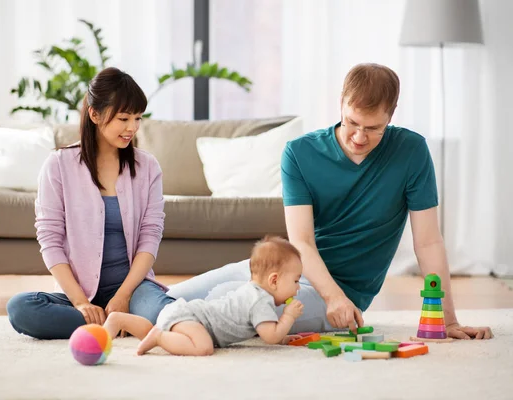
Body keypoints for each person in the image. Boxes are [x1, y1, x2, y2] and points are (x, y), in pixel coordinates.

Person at [168, 63, 493, 340]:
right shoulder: (299, 153)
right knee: (166, 299)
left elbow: (428, 243)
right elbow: (302, 241)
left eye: (373, 128)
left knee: (223, 311)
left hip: (338, 293)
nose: (359, 137)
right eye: (352, 122)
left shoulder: (411, 152)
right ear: (341, 104)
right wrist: (331, 296)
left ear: (391, 116)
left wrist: (448, 320)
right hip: (278, 271)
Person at [6, 67, 174, 339]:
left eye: (137, 118)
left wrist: (123, 296)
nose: (132, 127)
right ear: (94, 114)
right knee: (21, 309)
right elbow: (49, 238)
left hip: (132, 291)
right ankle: (115, 324)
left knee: (167, 314)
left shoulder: (148, 167)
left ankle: (121, 319)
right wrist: (80, 303)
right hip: (82, 293)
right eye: (123, 118)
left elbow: (150, 237)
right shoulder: (59, 165)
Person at [103, 236, 304, 356]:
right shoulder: (261, 300)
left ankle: (121, 320)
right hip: (193, 319)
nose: (298, 288)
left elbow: (266, 330)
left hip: (185, 312)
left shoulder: (251, 290)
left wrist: (284, 338)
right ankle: (160, 337)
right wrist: (288, 317)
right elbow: (270, 336)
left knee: (156, 325)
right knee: (203, 347)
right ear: (274, 280)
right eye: (295, 281)